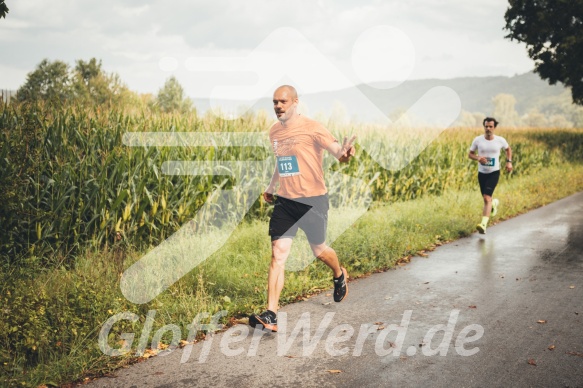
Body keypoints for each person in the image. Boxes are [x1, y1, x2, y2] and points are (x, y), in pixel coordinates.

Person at [249, 85, 356, 332]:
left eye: (283, 102)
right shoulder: (274, 132)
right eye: (274, 102)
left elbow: (338, 153)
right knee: (278, 254)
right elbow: (283, 161)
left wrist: (346, 154)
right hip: (285, 201)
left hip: (313, 201)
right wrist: (271, 186)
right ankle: (271, 314)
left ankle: (339, 274)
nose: (278, 106)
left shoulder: (313, 127)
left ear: (295, 102)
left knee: (318, 250)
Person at [468, 117, 513, 234]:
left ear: (494, 128)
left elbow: (508, 150)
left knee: (486, 197)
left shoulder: (500, 140)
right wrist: (478, 158)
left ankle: (483, 224)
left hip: (494, 172)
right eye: (486, 126)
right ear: (484, 126)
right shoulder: (478, 140)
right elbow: (470, 154)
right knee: (486, 198)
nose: (488, 128)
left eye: (490, 126)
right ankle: (494, 204)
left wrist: (509, 162)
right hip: (482, 173)